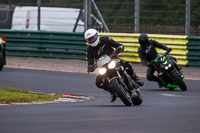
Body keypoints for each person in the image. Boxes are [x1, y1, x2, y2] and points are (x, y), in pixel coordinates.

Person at [85, 28, 143, 102]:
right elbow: (90, 62)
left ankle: (135, 78)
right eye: (89, 40)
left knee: (126, 64)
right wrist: (90, 67)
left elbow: (118, 45)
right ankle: (112, 92)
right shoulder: (89, 50)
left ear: (96, 36)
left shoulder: (105, 39)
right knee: (98, 82)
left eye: (92, 38)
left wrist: (120, 48)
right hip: (103, 67)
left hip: (113, 59)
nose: (91, 40)